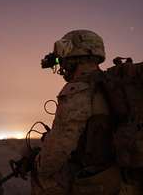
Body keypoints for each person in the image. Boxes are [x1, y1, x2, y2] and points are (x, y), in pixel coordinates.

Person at [31, 30, 121, 195]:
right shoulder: (111, 85)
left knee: (43, 176)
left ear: (75, 56)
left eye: (64, 59)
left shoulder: (79, 89)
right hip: (119, 171)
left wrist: (38, 163)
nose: (62, 65)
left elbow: (56, 153)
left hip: (100, 179)